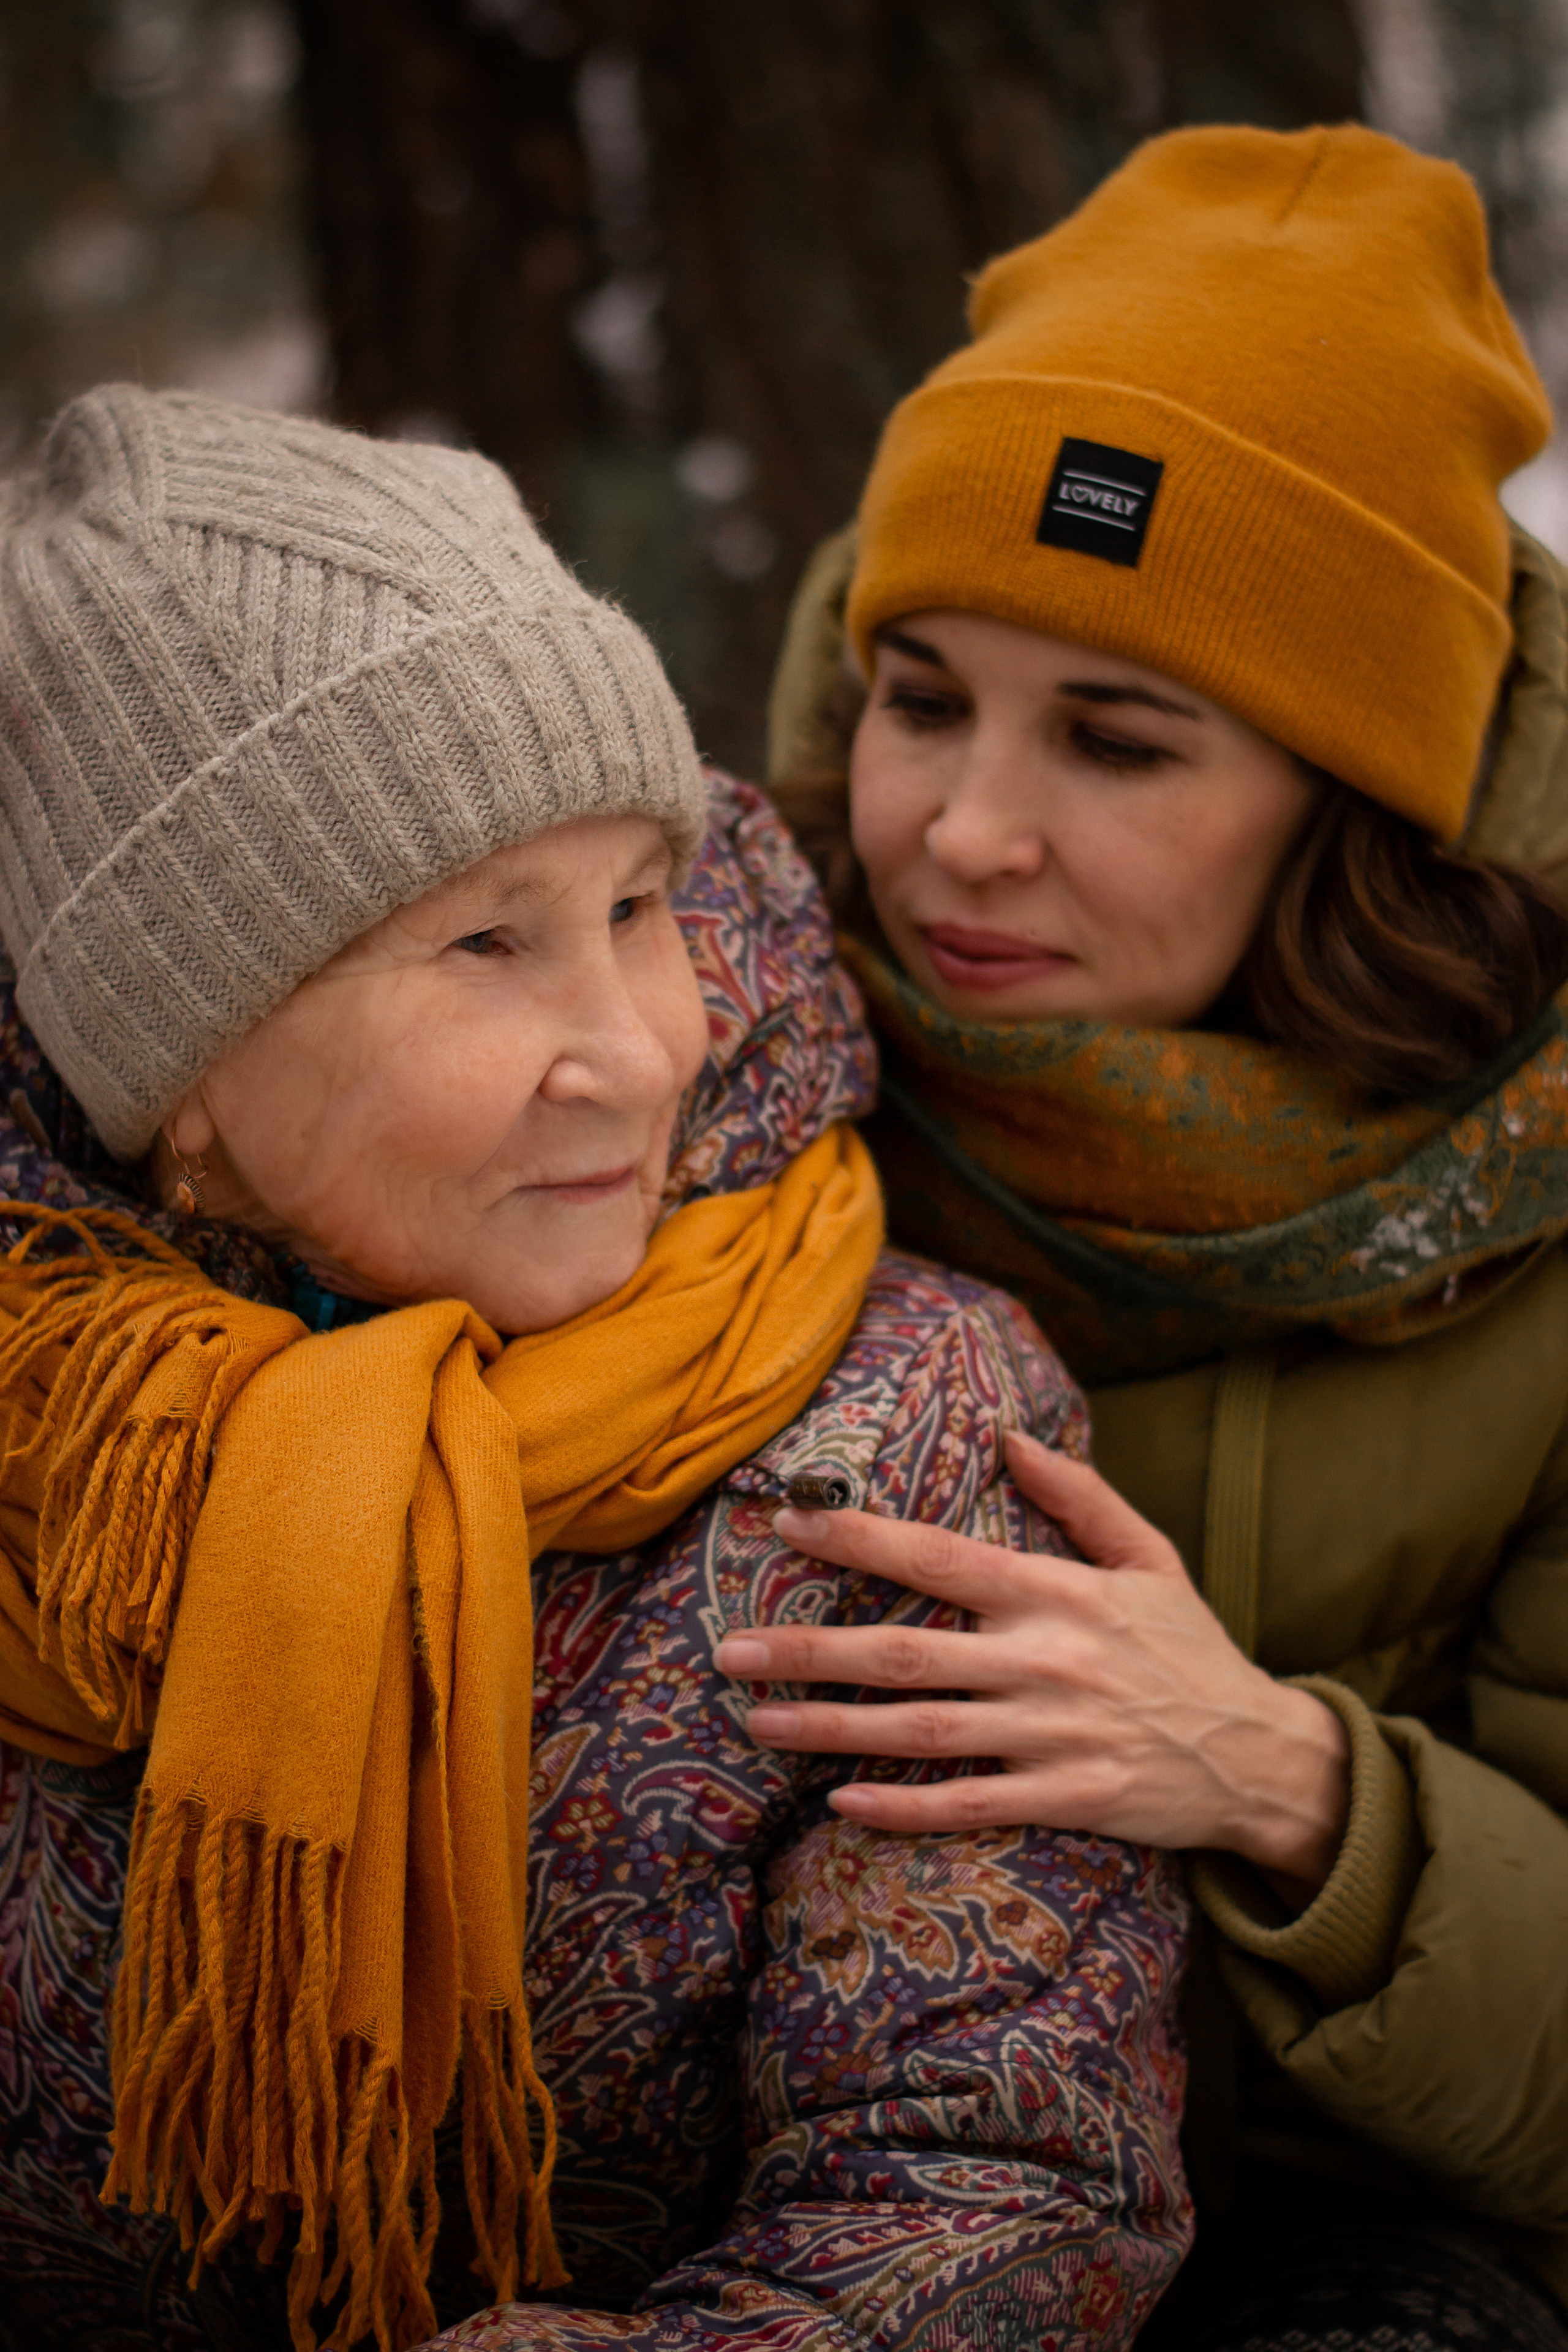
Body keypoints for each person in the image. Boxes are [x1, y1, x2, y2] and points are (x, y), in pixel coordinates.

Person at [0, 385, 1191, 2352]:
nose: (641, 1049)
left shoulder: (899, 1431)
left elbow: (996, 2177)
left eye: (638, 905)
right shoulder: (60, 1451)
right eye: (486, 944)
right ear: (178, 1067)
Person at [752, 123, 1568, 2352]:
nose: (964, 836)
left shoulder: (1546, 1207)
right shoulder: (703, 1053)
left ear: (1356, 803)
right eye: (922, 698)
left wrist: (1287, 1785)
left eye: (1118, 739)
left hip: (1345, 2241)